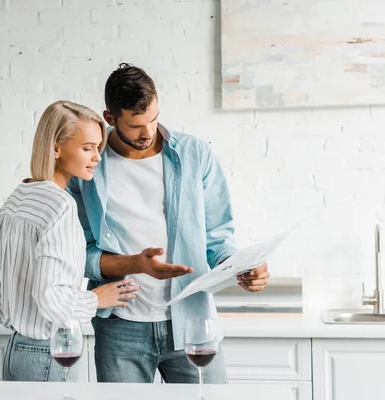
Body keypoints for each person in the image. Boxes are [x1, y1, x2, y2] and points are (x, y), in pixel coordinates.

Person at [67, 63, 270, 383]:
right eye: (135, 125)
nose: (147, 132)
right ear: (110, 118)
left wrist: (238, 267)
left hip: (192, 320)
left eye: (153, 119)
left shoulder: (194, 154)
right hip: (121, 327)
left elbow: (217, 236)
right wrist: (136, 264)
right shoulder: (88, 168)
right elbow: (80, 252)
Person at [0, 100, 139, 382]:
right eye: (87, 148)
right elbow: (51, 296)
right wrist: (95, 299)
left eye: (98, 147)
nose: (97, 156)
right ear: (57, 148)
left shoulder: (20, 195)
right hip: (49, 354)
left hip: (18, 349)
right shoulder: (60, 205)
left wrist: (15, 317)